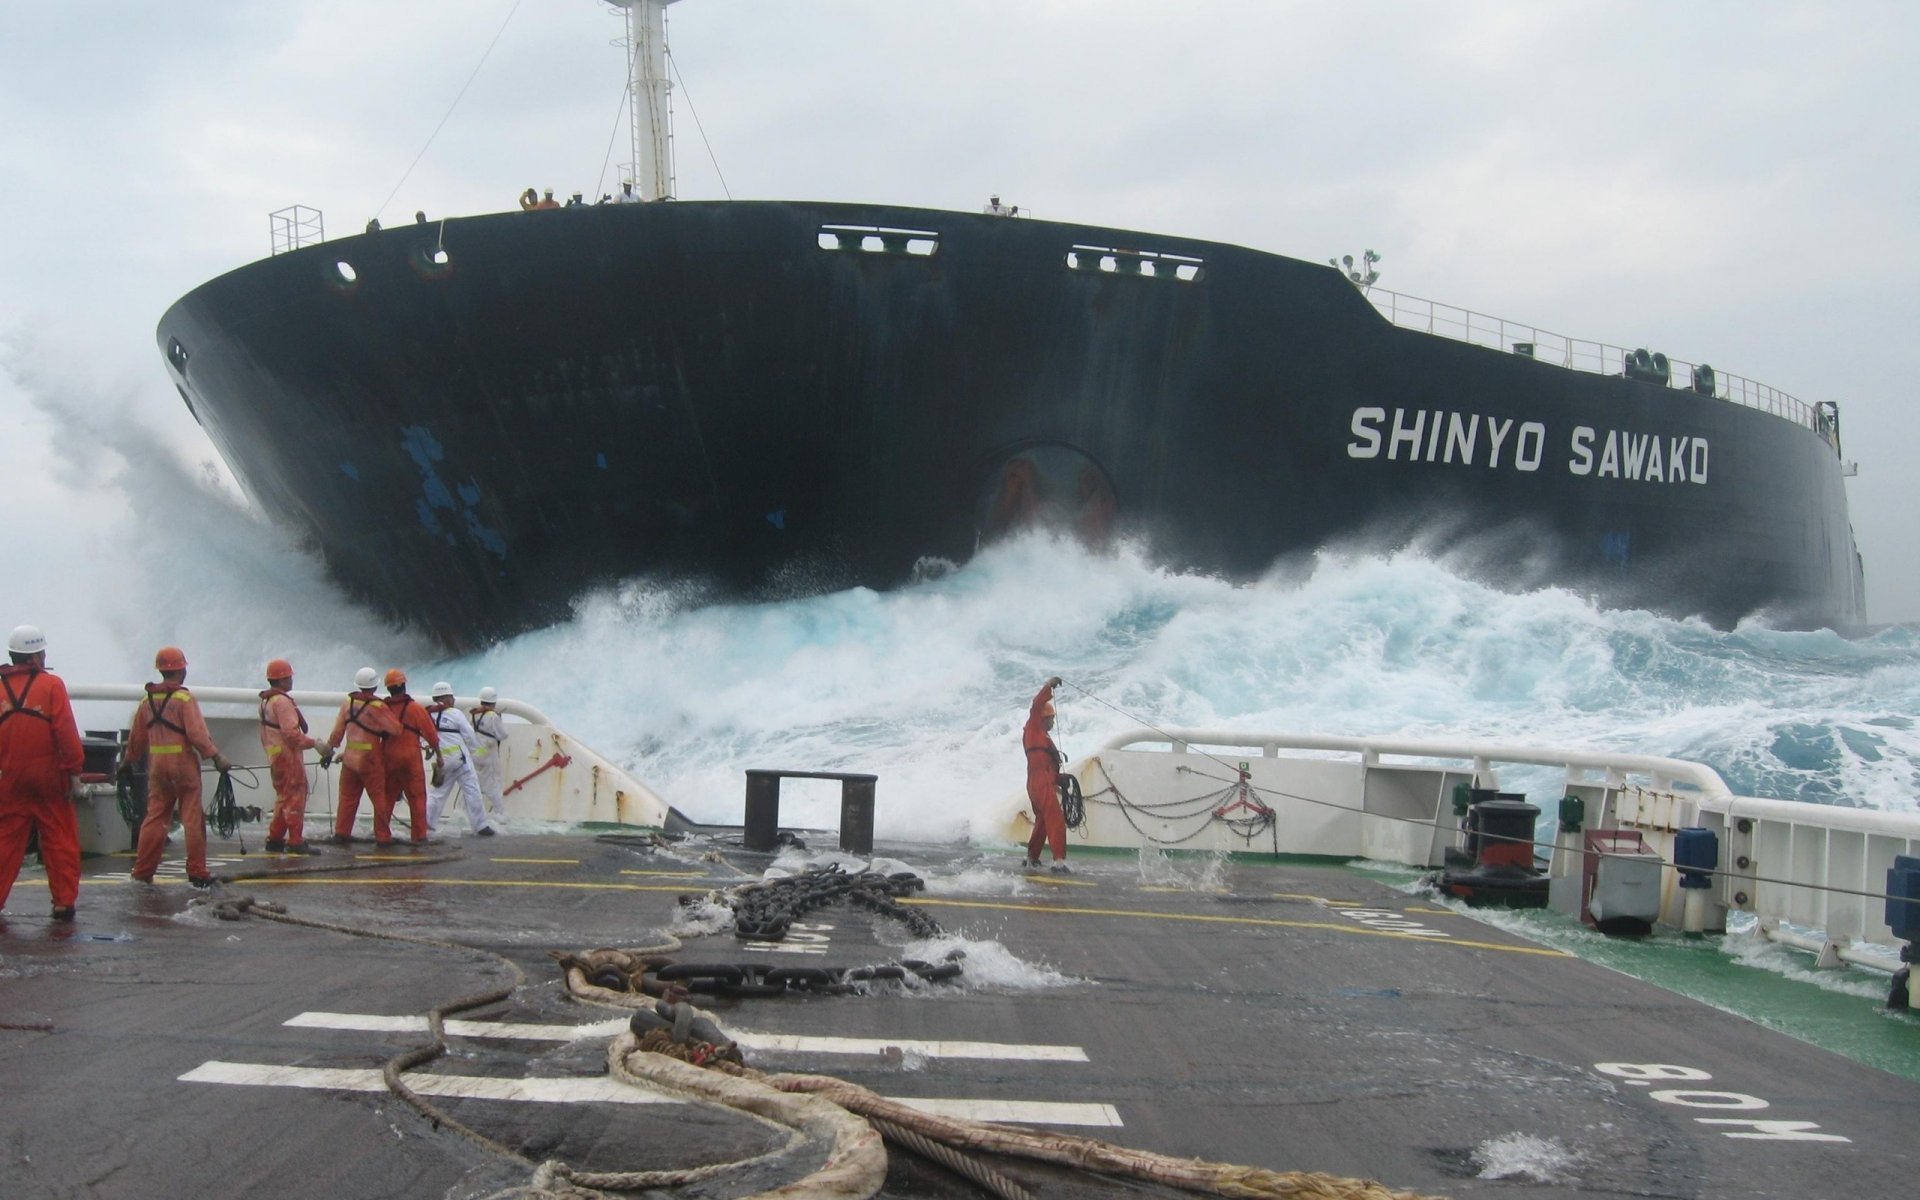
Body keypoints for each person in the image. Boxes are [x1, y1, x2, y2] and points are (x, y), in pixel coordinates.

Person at [123, 647, 230, 888]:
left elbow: (136, 740)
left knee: (155, 818)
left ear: (160, 670)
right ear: (182, 669)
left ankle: (142, 871)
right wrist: (216, 756)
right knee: (191, 818)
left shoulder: (146, 700)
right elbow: (197, 735)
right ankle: (197, 871)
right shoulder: (184, 699)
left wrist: (126, 763)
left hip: (158, 768)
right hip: (183, 766)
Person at [0, 625, 85, 921]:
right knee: (60, 838)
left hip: (10, 778)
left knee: (6, 841)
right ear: (36, 657)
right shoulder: (52, 685)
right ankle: (63, 903)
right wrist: (74, 773)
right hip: (50, 779)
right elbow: (65, 731)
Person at [258, 658, 332, 855]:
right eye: (289, 677)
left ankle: (275, 839)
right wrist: (315, 744)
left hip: (275, 756)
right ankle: (295, 841)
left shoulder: (266, 700)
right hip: (287, 757)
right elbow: (291, 734)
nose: (291, 680)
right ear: (282, 679)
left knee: (284, 798)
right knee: (295, 797)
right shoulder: (282, 702)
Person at [325, 667, 398, 845]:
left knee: (347, 798)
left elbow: (337, 734)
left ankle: (341, 833)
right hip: (371, 760)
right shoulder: (379, 707)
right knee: (379, 798)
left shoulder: (348, 703)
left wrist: (329, 751)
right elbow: (396, 729)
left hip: (350, 759)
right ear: (375, 686)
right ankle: (382, 836)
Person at [379, 669, 440, 848]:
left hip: (388, 757)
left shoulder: (382, 708)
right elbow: (431, 735)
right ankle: (419, 836)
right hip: (411, 758)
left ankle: (382, 835)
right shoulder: (416, 708)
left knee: (387, 797)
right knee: (417, 797)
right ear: (404, 686)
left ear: (389, 689)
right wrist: (439, 755)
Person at [426, 683, 494, 837]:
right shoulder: (455, 714)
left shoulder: (428, 714)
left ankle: (427, 825)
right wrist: (476, 750)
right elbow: (469, 734)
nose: (454, 699)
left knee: (437, 794)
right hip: (460, 760)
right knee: (472, 790)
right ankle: (481, 826)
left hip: (442, 761)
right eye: (451, 696)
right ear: (445, 698)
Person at [1022, 676, 1069, 872]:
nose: (1053, 722)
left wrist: (1059, 780)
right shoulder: (1033, 728)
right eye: (1051, 718)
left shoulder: (1042, 737)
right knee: (1055, 818)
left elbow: (1047, 766)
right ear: (1044, 717)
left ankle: (1032, 857)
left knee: (1042, 821)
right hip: (1039, 782)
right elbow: (1036, 704)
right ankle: (1059, 862)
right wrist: (1048, 686)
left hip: (1040, 781)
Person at [469, 685, 507, 820]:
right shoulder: (493, 716)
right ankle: (499, 814)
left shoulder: (474, 713)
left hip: (476, 752)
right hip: (488, 753)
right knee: (493, 783)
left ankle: (468, 812)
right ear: (494, 702)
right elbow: (503, 735)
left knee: (473, 783)